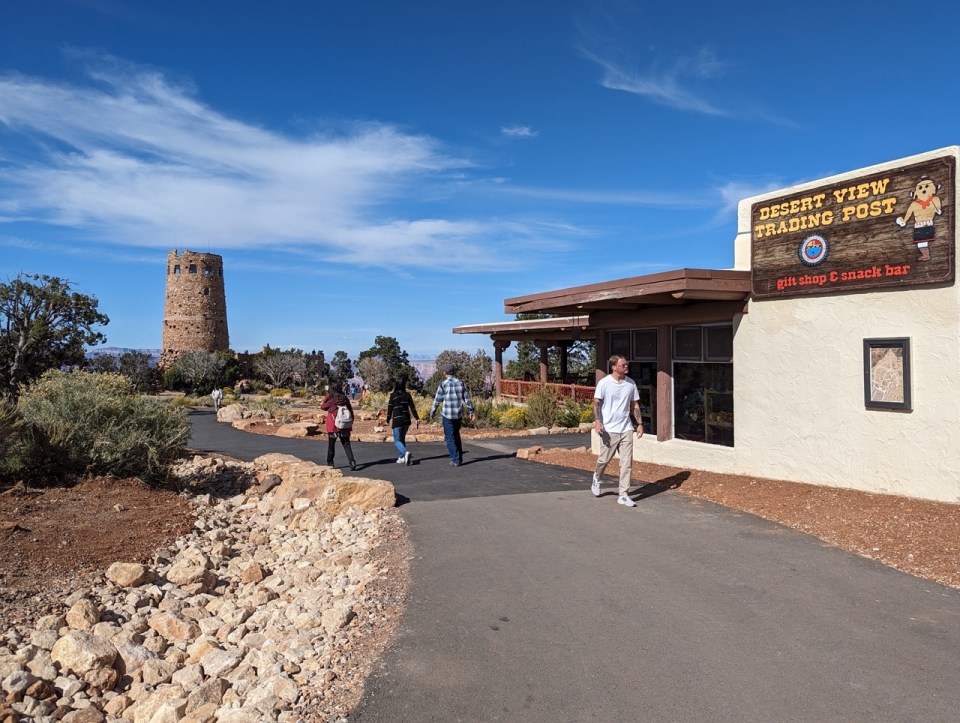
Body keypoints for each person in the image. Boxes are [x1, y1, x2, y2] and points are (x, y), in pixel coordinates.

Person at [592, 355, 643, 507]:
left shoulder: (631, 383)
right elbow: (596, 403)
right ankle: (597, 477)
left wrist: (639, 424)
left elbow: (635, 405)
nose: (626, 367)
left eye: (626, 364)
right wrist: (597, 421)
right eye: (623, 365)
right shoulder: (604, 383)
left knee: (626, 463)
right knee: (604, 460)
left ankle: (623, 494)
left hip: (626, 428)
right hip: (609, 429)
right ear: (614, 367)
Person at [429, 363, 475, 466]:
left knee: (449, 438)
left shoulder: (443, 384)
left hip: (447, 414)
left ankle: (455, 459)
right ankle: (459, 457)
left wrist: (433, 411)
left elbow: (437, 399)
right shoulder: (461, 383)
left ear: (445, 373)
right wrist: (471, 411)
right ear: (454, 372)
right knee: (456, 435)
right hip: (458, 414)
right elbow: (467, 399)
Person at [321, 382, 357, 471]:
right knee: (346, 444)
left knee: (331, 445)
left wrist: (327, 397)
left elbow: (323, 407)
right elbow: (350, 410)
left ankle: (330, 463)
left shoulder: (332, 400)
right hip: (344, 426)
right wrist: (351, 421)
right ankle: (352, 462)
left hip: (333, 426)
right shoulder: (345, 399)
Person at [386, 379, 420, 465]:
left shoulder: (393, 396)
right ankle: (402, 457)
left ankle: (405, 453)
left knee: (397, 440)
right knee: (402, 438)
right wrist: (417, 418)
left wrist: (388, 419)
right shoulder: (407, 395)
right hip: (406, 420)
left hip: (397, 420)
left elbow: (390, 408)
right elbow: (412, 407)